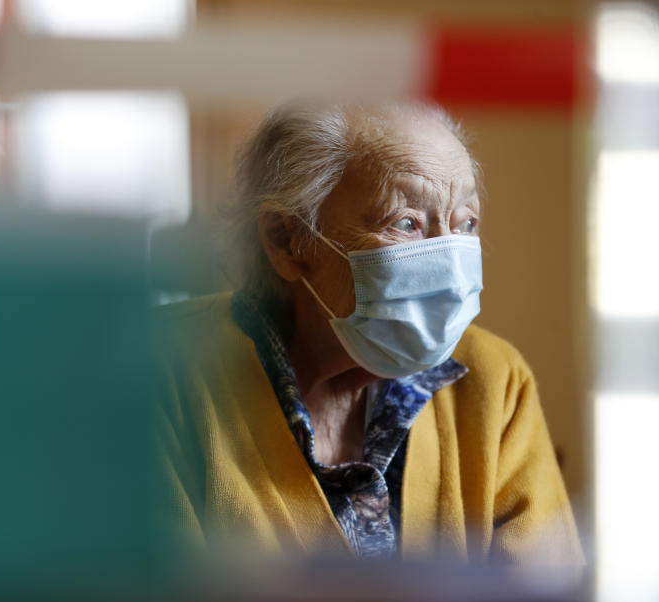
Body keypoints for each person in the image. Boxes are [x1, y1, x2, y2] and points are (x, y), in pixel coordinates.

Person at [155, 102, 583, 564]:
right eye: (406, 223)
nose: (449, 260)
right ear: (288, 241)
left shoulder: (495, 381)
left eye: (466, 224)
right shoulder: (155, 376)